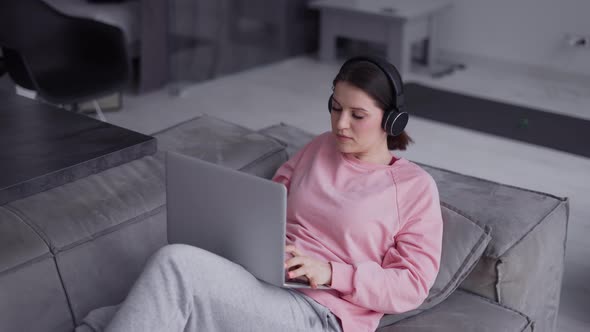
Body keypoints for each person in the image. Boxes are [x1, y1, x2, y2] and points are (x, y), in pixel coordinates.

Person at [78, 56, 443, 332]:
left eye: (357, 115)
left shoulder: (413, 188)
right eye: (335, 107)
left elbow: (411, 285)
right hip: (266, 278)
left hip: (322, 314)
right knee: (102, 319)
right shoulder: (320, 147)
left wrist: (332, 272)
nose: (340, 124)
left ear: (391, 121)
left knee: (175, 267)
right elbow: (270, 201)